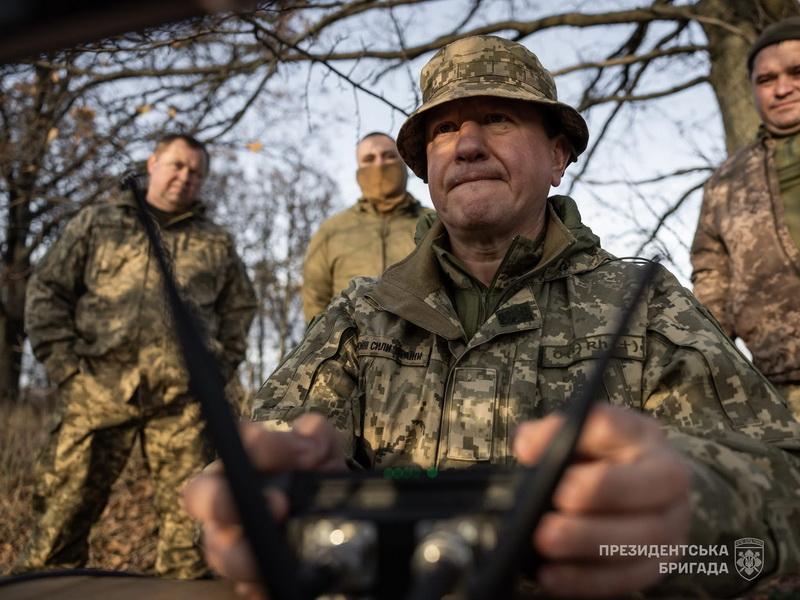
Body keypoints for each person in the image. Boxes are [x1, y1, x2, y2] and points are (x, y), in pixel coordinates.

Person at [184, 37, 800, 598]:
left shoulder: (643, 304)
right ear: (428, 172)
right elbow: (255, 466)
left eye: (498, 119)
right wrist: (258, 501)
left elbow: (784, 477)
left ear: (558, 156)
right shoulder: (361, 316)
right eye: (445, 129)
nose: (469, 143)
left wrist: (689, 505)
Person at [21, 133, 257, 579]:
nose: (184, 176)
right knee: (57, 527)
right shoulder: (97, 223)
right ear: (153, 163)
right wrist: (65, 368)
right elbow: (47, 291)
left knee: (192, 545)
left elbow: (239, 308)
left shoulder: (215, 242)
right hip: (95, 391)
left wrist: (217, 369)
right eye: (176, 165)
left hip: (182, 407)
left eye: (195, 172)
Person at [691, 16, 800, 420]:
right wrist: (713, 362)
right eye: (766, 79)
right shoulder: (726, 180)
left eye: (796, 72)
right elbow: (711, 277)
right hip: (782, 391)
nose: (783, 88)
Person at [301, 131, 431, 322]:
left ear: (404, 163)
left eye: (389, 156)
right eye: (369, 159)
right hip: (348, 349)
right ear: (358, 170)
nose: (380, 165)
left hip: (426, 348)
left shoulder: (435, 224)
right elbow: (314, 302)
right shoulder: (332, 231)